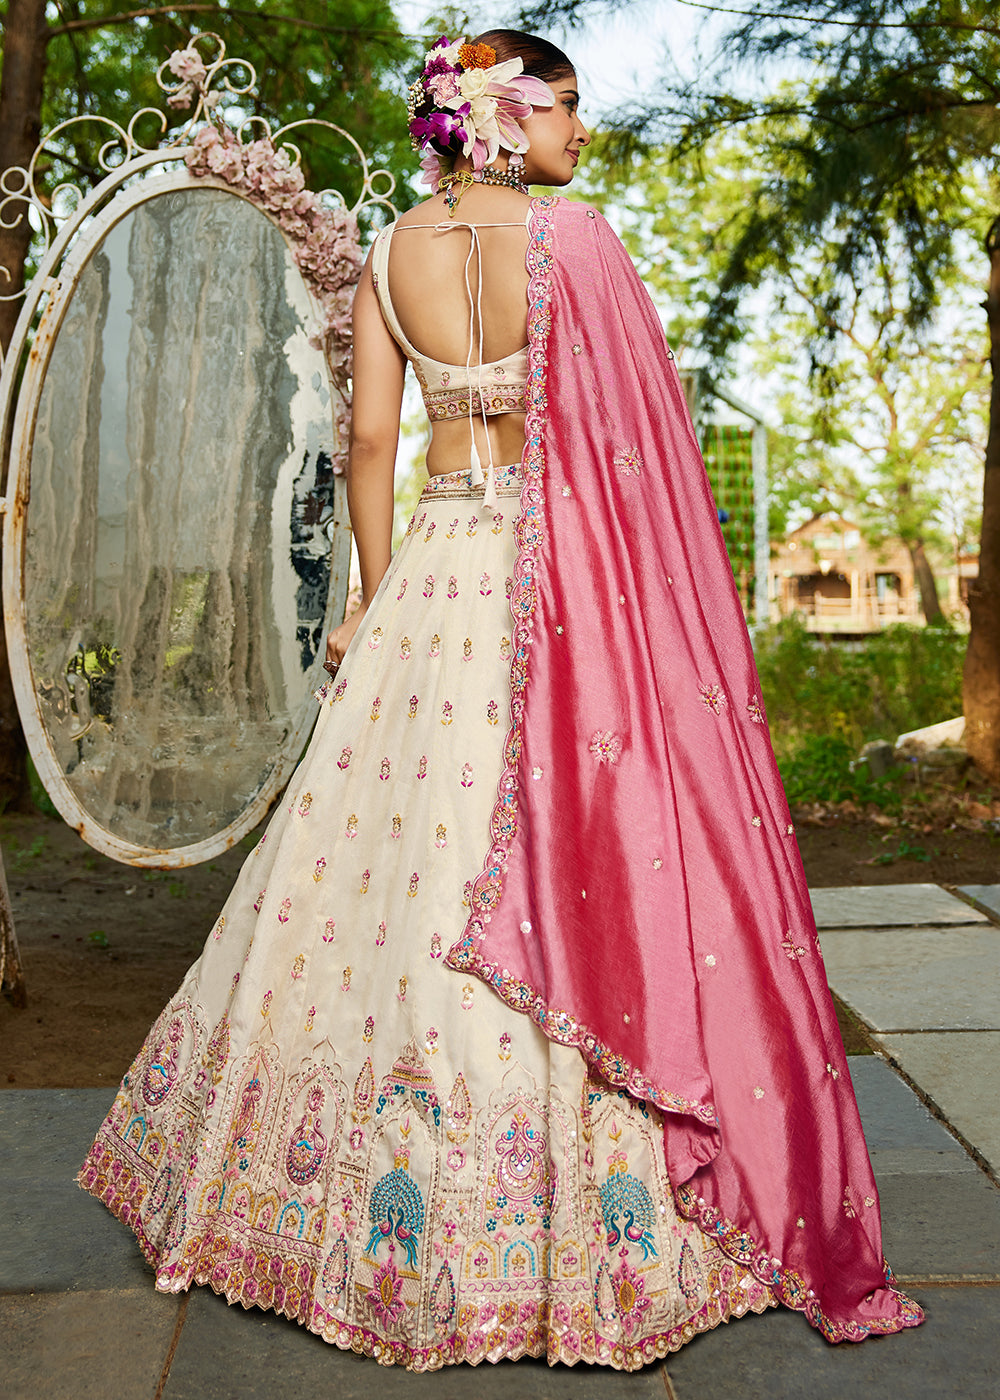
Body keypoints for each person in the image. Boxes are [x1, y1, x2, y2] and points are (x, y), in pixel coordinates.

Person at [79, 28, 923, 1369]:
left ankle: (291, 1191)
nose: (582, 130)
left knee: (397, 859)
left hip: (433, 578)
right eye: (566, 105)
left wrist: (371, 598)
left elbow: (369, 439)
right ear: (506, 116)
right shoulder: (574, 243)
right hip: (559, 584)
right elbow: (636, 450)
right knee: (573, 844)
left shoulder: (395, 250)